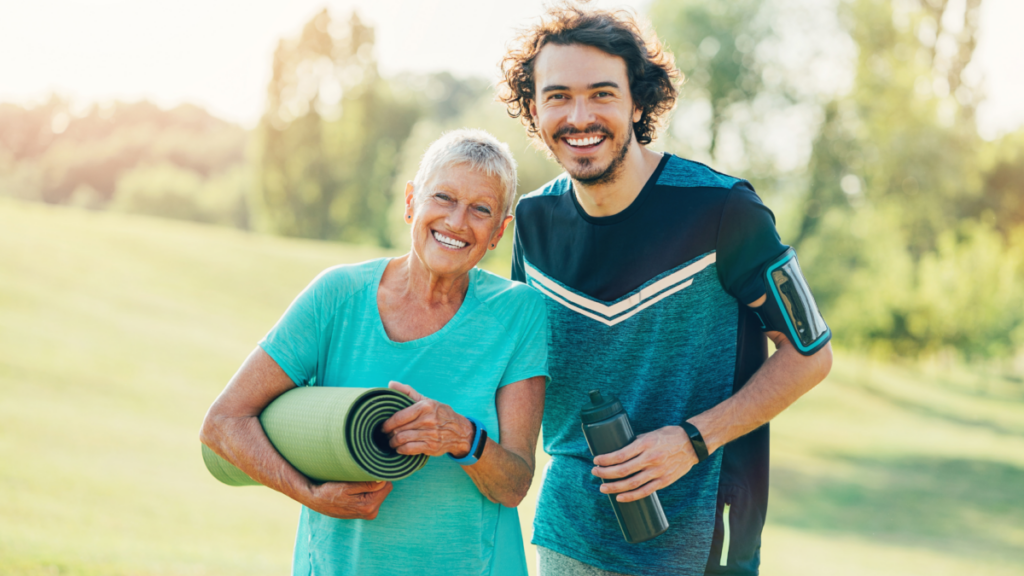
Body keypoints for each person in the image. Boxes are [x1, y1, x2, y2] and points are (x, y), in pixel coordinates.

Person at [499, 6, 833, 576]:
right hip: (567, 532)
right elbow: (517, 375)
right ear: (534, 109)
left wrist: (691, 440)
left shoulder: (725, 210)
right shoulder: (532, 222)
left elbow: (810, 355)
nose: (579, 116)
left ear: (637, 101)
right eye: (557, 96)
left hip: (703, 535)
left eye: (601, 93)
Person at [199, 129, 549, 576]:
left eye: (480, 209)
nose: (458, 222)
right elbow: (223, 423)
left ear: (499, 231)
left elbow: (515, 485)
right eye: (443, 197)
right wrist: (309, 493)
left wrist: (462, 436)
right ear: (410, 202)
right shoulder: (336, 296)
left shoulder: (518, 312)